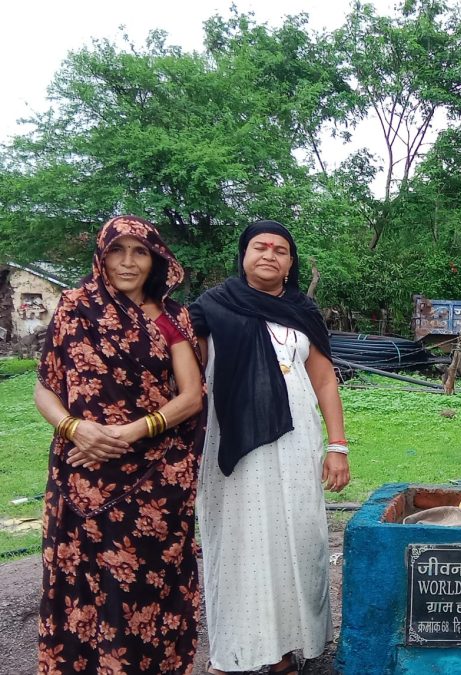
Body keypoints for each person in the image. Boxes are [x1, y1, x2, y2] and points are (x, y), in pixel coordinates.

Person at [34, 215, 205, 674]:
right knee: (80, 586)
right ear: (101, 256)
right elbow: (45, 388)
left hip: (154, 478)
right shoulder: (74, 308)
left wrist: (131, 432)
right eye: (117, 250)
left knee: (145, 588)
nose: (128, 262)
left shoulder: (171, 316)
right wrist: (74, 428)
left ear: (156, 260)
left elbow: (192, 395)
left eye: (140, 251)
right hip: (81, 471)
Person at [191, 220, 351, 675]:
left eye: (280, 250)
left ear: (290, 263)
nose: (270, 255)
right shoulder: (211, 307)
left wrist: (337, 445)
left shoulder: (302, 311)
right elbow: (186, 371)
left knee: (294, 539)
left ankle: (282, 652)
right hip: (231, 443)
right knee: (237, 543)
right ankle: (231, 655)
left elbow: (324, 380)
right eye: (260, 247)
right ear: (243, 255)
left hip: (297, 442)